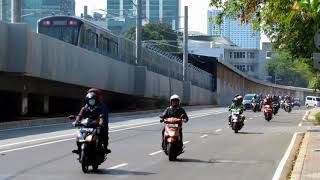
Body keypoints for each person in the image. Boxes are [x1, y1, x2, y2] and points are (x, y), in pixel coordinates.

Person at [73, 90, 111, 155]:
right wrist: (76, 121)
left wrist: (102, 123)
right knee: (79, 136)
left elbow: (103, 116)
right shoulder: (85, 107)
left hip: (98, 124)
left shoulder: (101, 106)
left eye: (93, 93)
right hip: (88, 124)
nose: (91, 95)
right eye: (90, 93)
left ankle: (104, 148)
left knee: (104, 134)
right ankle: (80, 149)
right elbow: (80, 115)